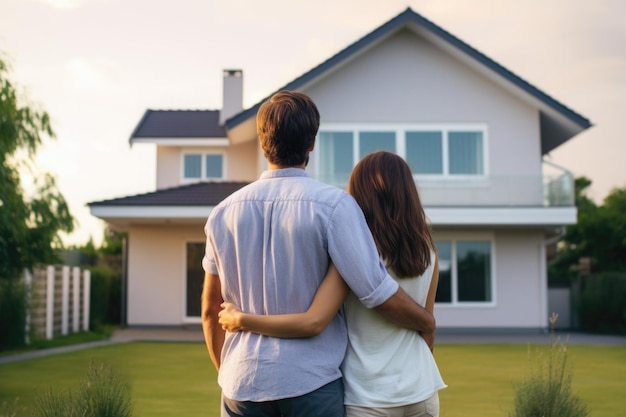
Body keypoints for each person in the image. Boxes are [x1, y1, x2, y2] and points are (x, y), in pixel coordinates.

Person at [201, 91, 435, 417]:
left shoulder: (222, 213)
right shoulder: (334, 207)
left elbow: (211, 312)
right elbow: (375, 290)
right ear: (312, 143)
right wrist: (426, 321)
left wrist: (230, 373)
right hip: (310, 384)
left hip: (242, 382)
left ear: (261, 141)